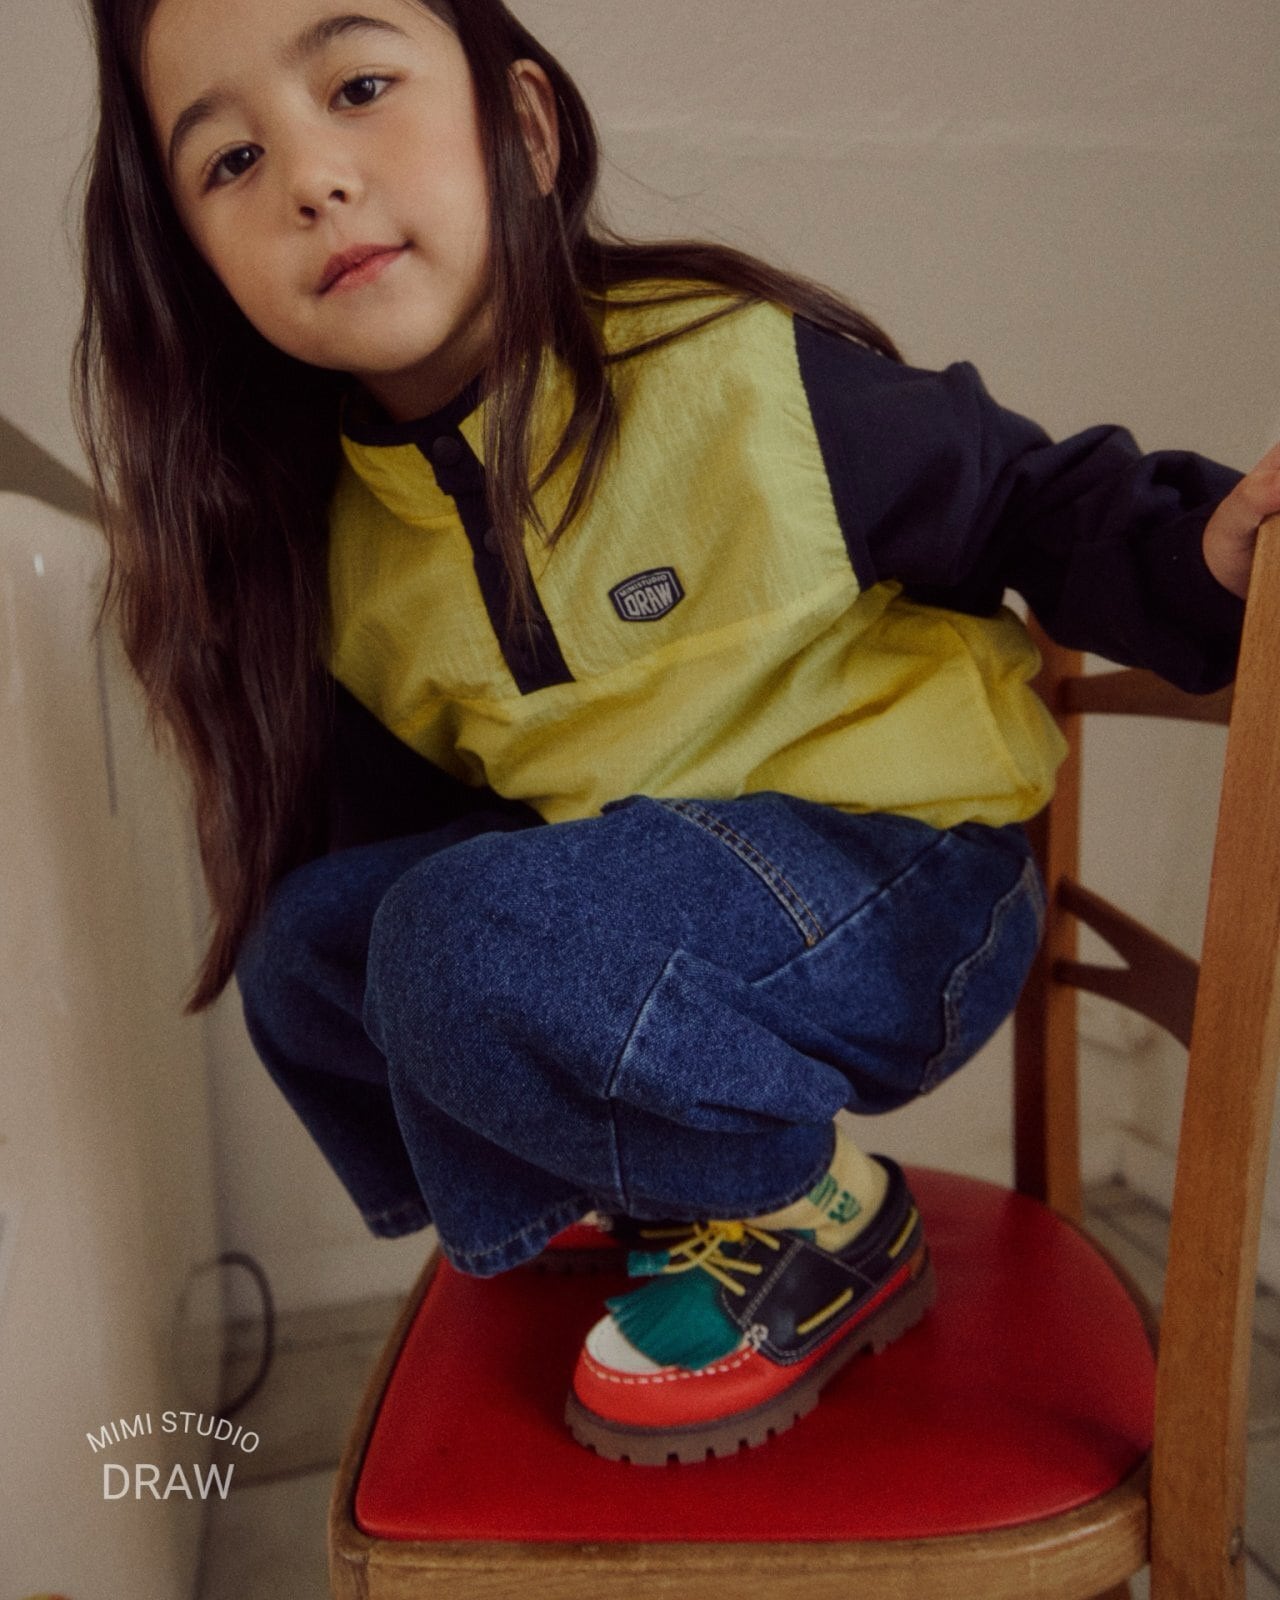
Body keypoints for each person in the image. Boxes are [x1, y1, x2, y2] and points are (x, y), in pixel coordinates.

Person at [75, 0, 1278, 1466]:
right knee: (307, 941)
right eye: (232, 161)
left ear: (523, 128)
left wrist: (1197, 557)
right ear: (194, 262)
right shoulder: (342, 551)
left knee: (452, 939)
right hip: (662, 928)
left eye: (362, 85)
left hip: (910, 883)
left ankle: (818, 1214)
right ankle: (639, 1184)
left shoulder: (737, 372)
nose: (312, 180)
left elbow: (1033, 499)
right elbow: (419, 859)